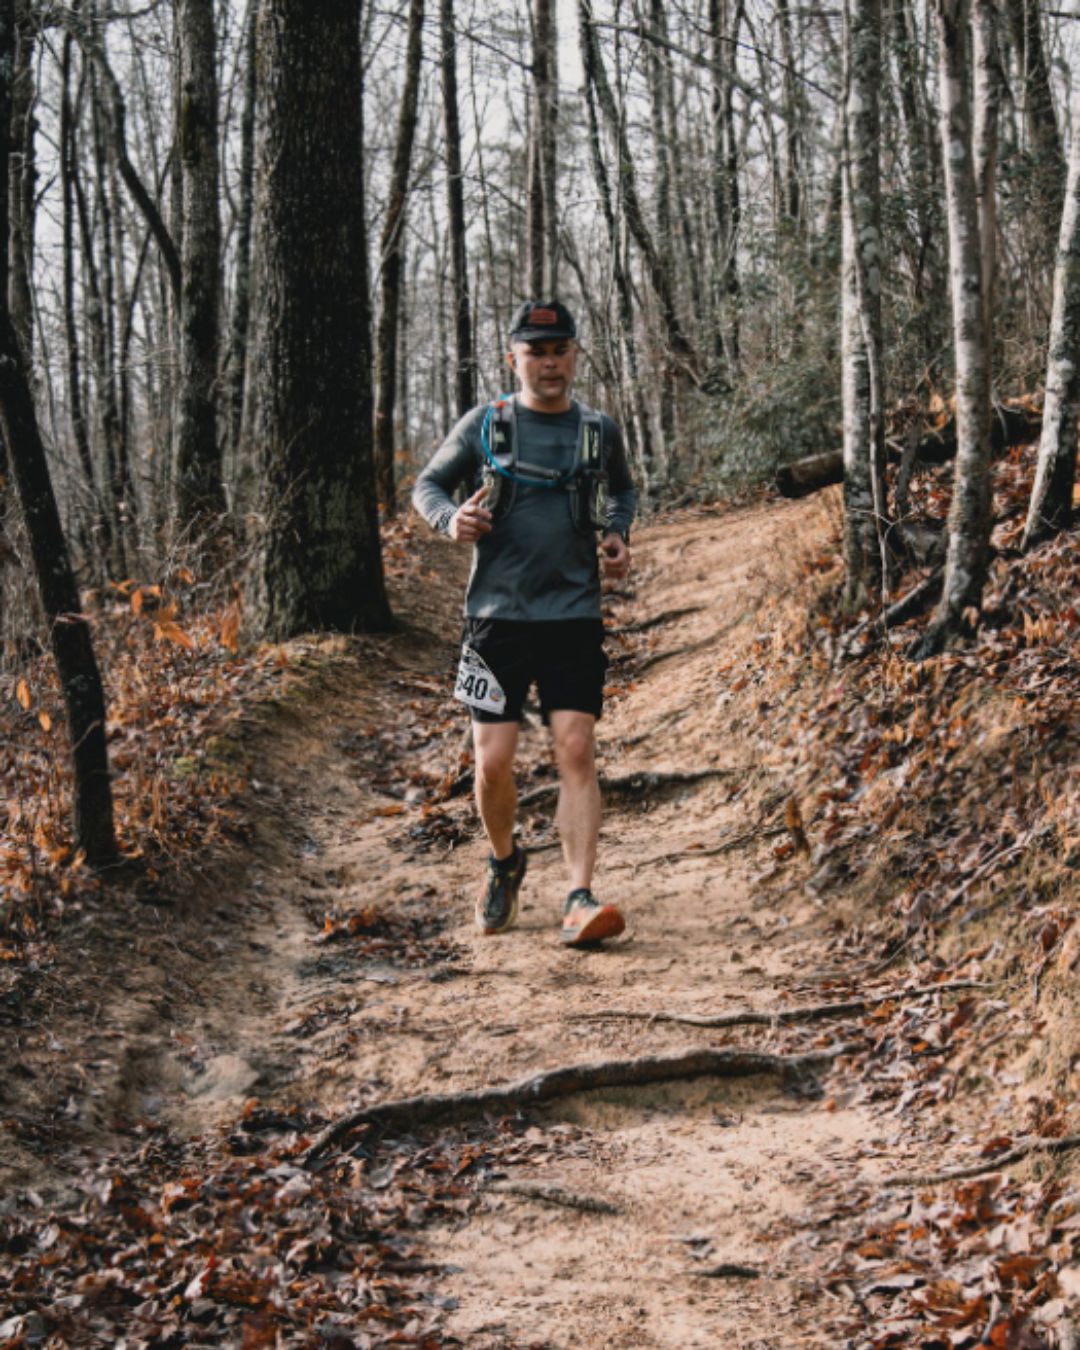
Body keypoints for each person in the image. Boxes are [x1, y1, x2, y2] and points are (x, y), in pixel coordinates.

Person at [412, 300, 637, 947]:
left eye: (559, 349)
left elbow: (622, 491)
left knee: (575, 748)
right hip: (493, 622)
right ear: (513, 358)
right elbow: (428, 485)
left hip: (572, 615)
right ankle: (505, 861)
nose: (548, 362)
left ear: (574, 355)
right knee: (493, 761)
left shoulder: (598, 431)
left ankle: (578, 896)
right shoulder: (487, 425)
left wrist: (618, 535)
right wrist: (450, 520)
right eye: (535, 351)